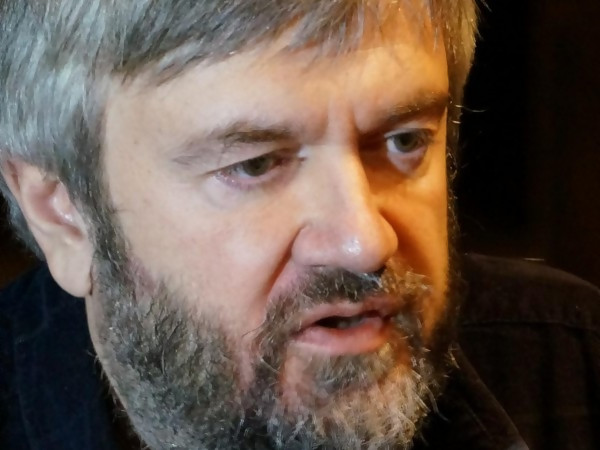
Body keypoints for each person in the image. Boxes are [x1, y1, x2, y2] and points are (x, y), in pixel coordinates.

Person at [0, 1, 598, 449]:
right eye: (255, 165)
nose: (365, 242)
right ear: (62, 214)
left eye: (404, 140)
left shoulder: (573, 368)